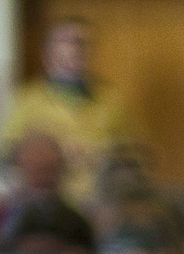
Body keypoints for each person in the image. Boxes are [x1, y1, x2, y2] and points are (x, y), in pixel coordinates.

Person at [0, 20, 121, 204]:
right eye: (66, 41)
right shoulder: (27, 100)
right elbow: (8, 153)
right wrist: (52, 152)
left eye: (81, 42)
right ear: (47, 53)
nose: (75, 49)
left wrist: (100, 154)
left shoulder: (112, 101)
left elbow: (134, 153)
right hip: (47, 204)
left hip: (100, 202)